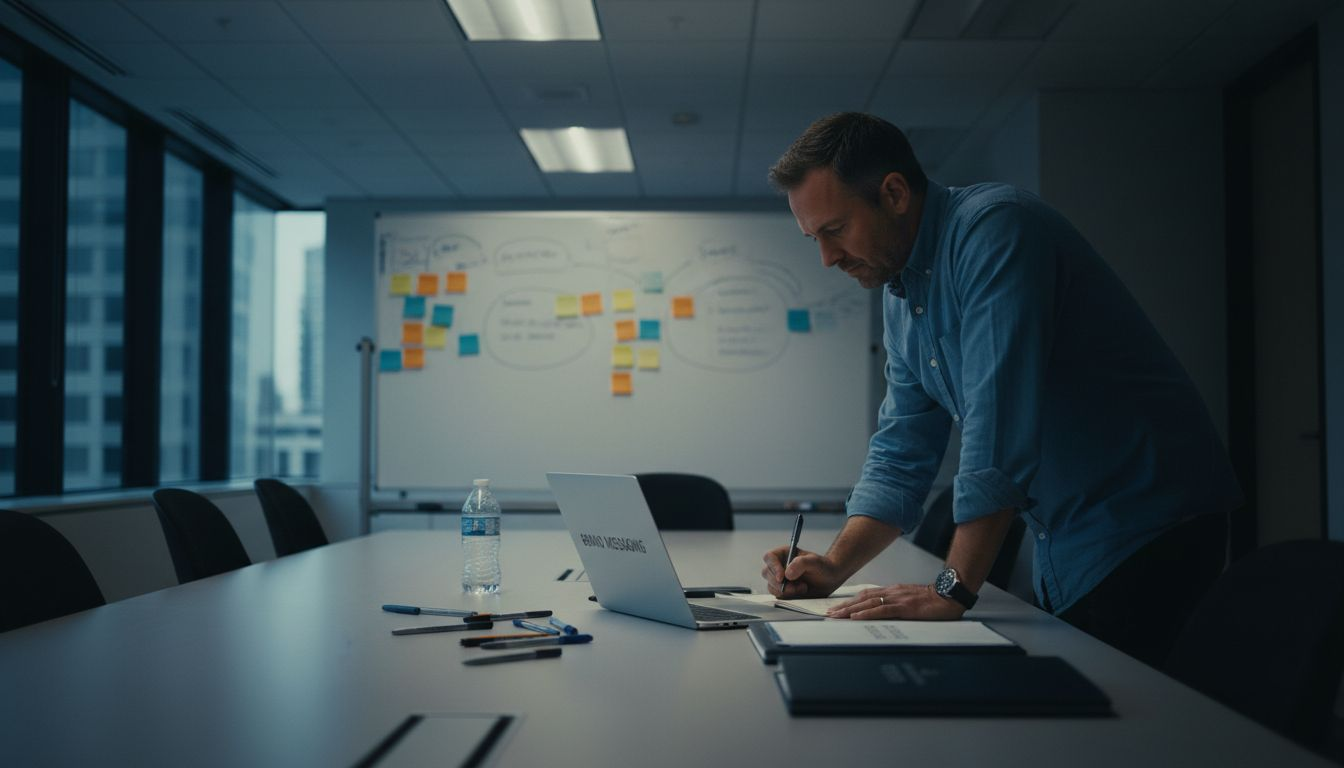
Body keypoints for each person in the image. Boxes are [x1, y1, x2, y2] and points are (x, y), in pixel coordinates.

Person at [760, 112, 1241, 668]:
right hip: (1069, 539)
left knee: (1123, 728)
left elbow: (998, 420)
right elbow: (901, 451)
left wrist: (952, 588)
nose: (827, 258)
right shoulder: (902, 296)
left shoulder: (995, 229)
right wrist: (835, 566)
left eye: (835, 230)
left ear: (893, 193)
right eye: (814, 238)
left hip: (1147, 524)